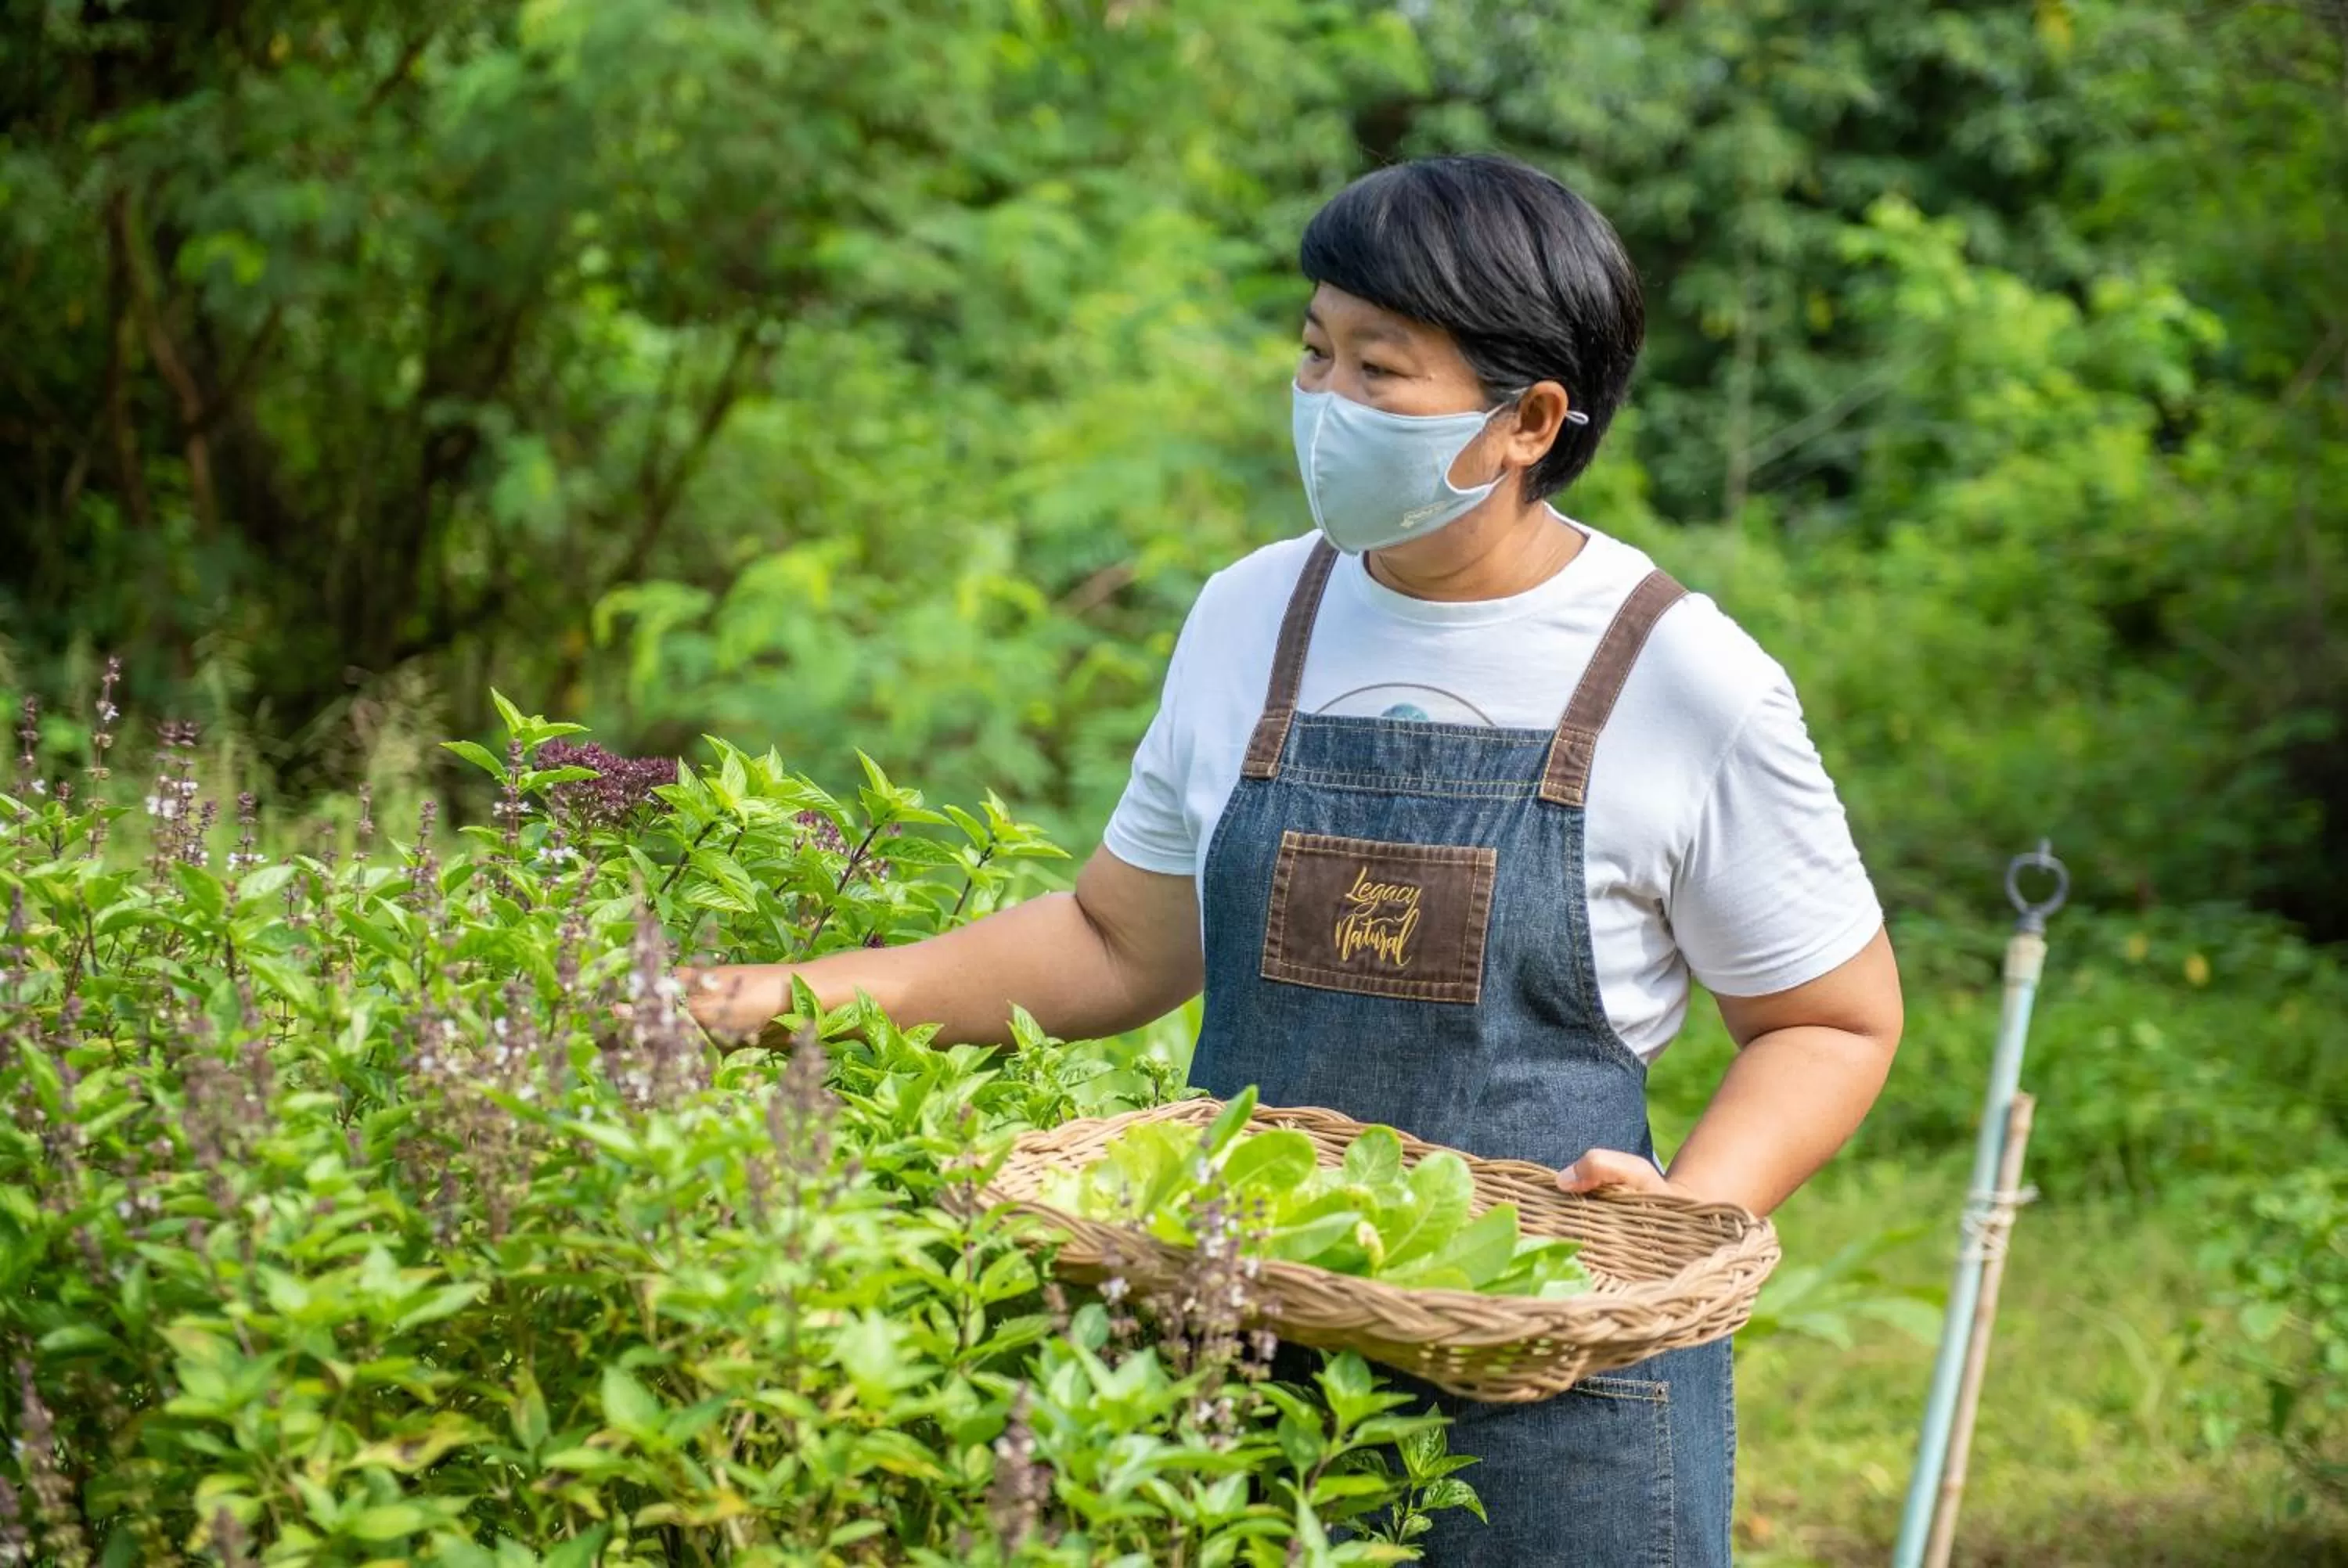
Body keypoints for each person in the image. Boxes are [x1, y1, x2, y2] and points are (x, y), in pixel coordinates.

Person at [682, 153, 1902, 1566]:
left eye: (1382, 373)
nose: (1325, 405)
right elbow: (1114, 941)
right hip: (1240, 1354)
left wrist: (1690, 1210)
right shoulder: (1255, 614)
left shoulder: (1678, 674)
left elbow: (1830, 1016)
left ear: (1532, 421)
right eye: (1315, 353)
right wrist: (787, 999)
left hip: (1550, 1386)